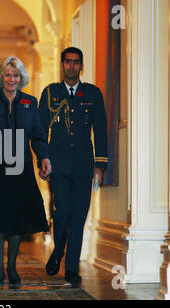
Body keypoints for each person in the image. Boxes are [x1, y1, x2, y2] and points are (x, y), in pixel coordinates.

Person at [0, 56, 52, 287]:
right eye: (7, 75)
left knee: (17, 220)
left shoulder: (30, 102)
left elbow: (37, 134)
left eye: (16, 75)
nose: (12, 79)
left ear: (21, 78)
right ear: (1, 78)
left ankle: (12, 266)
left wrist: (43, 157)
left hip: (21, 168)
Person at [38, 47, 108, 286]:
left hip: (83, 164)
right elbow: (39, 132)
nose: (71, 66)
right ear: (61, 64)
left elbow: (100, 131)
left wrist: (100, 165)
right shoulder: (50, 93)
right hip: (58, 164)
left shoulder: (92, 94)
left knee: (78, 217)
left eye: (76, 62)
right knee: (62, 212)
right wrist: (43, 160)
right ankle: (59, 251)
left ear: (81, 65)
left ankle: (71, 268)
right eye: (68, 62)